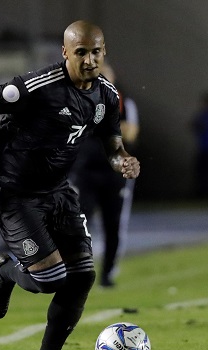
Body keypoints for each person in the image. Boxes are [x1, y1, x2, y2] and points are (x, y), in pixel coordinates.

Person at [0, 20, 140, 350]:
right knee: (51, 278)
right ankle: (5, 270)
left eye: (95, 52)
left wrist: (122, 160)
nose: (88, 59)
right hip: (17, 194)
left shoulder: (107, 96)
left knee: (82, 276)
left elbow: (112, 144)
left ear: (104, 53)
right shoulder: (38, 86)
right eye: (80, 52)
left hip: (59, 192)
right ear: (65, 53)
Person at [70, 62, 139, 288]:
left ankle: (107, 273)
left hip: (114, 172)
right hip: (85, 171)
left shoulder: (124, 102)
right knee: (81, 224)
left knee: (114, 225)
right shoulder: (79, 99)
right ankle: (79, 273)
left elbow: (131, 133)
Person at [190, 91, 208, 198]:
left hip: (206, 148)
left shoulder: (207, 115)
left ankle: (205, 192)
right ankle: (205, 191)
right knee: (205, 171)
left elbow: (195, 125)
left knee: (205, 171)